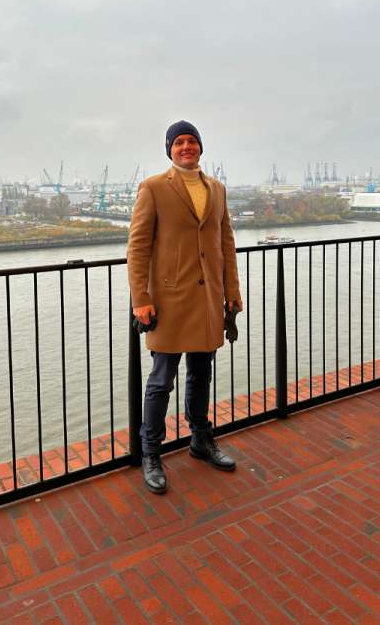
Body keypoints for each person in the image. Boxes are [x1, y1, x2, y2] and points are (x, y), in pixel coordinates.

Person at [126, 120, 242, 494]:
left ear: (200, 148)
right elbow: (138, 248)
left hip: (208, 298)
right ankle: (151, 452)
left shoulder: (217, 189)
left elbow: (226, 243)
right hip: (169, 300)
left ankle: (200, 439)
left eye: (192, 141)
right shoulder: (154, 188)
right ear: (170, 150)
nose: (186, 147)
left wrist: (232, 293)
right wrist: (140, 299)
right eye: (179, 142)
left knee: (200, 373)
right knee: (161, 380)